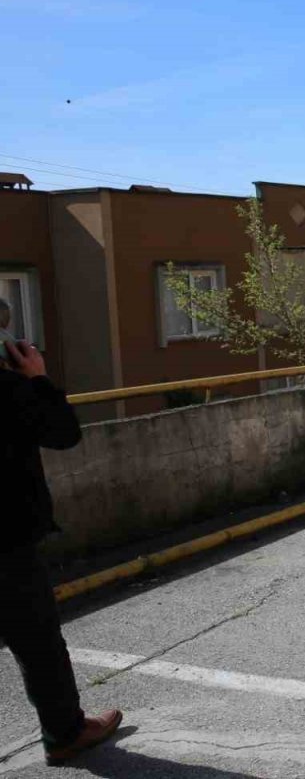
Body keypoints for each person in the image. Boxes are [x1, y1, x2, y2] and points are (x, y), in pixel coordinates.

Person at [0, 314, 123, 766]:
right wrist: (38, 379)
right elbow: (63, 433)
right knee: (37, 642)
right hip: (7, 543)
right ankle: (66, 733)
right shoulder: (10, 391)